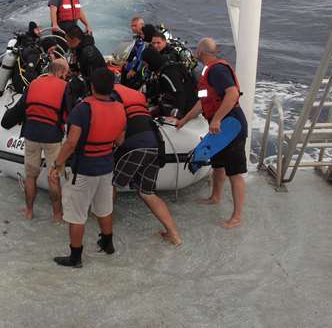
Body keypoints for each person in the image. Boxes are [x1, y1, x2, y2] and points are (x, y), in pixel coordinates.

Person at [50, 67, 126, 268]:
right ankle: (108, 244)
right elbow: (120, 140)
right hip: (106, 166)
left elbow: (71, 142)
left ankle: (75, 257)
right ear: (112, 87)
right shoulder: (120, 107)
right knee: (104, 208)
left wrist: (58, 164)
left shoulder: (82, 109)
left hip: (83, 169)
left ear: (91, 86)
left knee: (77, 215)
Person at [176, 37, 247, 228]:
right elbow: (202, 103)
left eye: (196, 51)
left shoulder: (217, 70)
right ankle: (215, 197)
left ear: (200, 52)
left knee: (235, 172)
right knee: (218, 165)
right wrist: (183, 120)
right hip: (219, 128)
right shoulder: (206, 73)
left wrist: (216, 119)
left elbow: (232, 94)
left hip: (231, 126)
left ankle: (237, 216)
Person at [1, 58, 70, 222]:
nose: (66, 77)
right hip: (52, 136)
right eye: (66, 74)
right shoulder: (65, 87)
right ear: (60, 72)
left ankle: (29, 211)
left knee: (30, 176)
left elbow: (20, 109)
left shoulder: (33, 84)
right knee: (53, 177)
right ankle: (57, 215)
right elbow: (70, 112)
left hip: (31, 134)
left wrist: (6, 122)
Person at [112, 83, 182, 245]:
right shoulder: (136, 95)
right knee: (147, 192)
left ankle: (106, 219)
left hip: (135, 144)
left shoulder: (112, 97)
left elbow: (120, 138)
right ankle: (173, 234)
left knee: (111, 181)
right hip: (155, 143)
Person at [142, 47, 197, 119]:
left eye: (146, 63)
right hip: (179, 103)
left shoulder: (167, 72)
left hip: (186, 107)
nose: (146, 66)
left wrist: (176, 115)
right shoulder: (162, 69)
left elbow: (179, 93)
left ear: (151, 61)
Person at [121, 16, 146, 87]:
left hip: (143, 66)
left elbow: (141, 58)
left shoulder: (145, 39)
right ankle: (123, 88)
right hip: (138, 63)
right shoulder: (139, 37)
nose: (132, 28)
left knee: (128, 72)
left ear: (141, 26)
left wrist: (134, 70)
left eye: (135, 26)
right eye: (132, 26)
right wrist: (128, 60)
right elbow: (134, 51)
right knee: (125, 67)